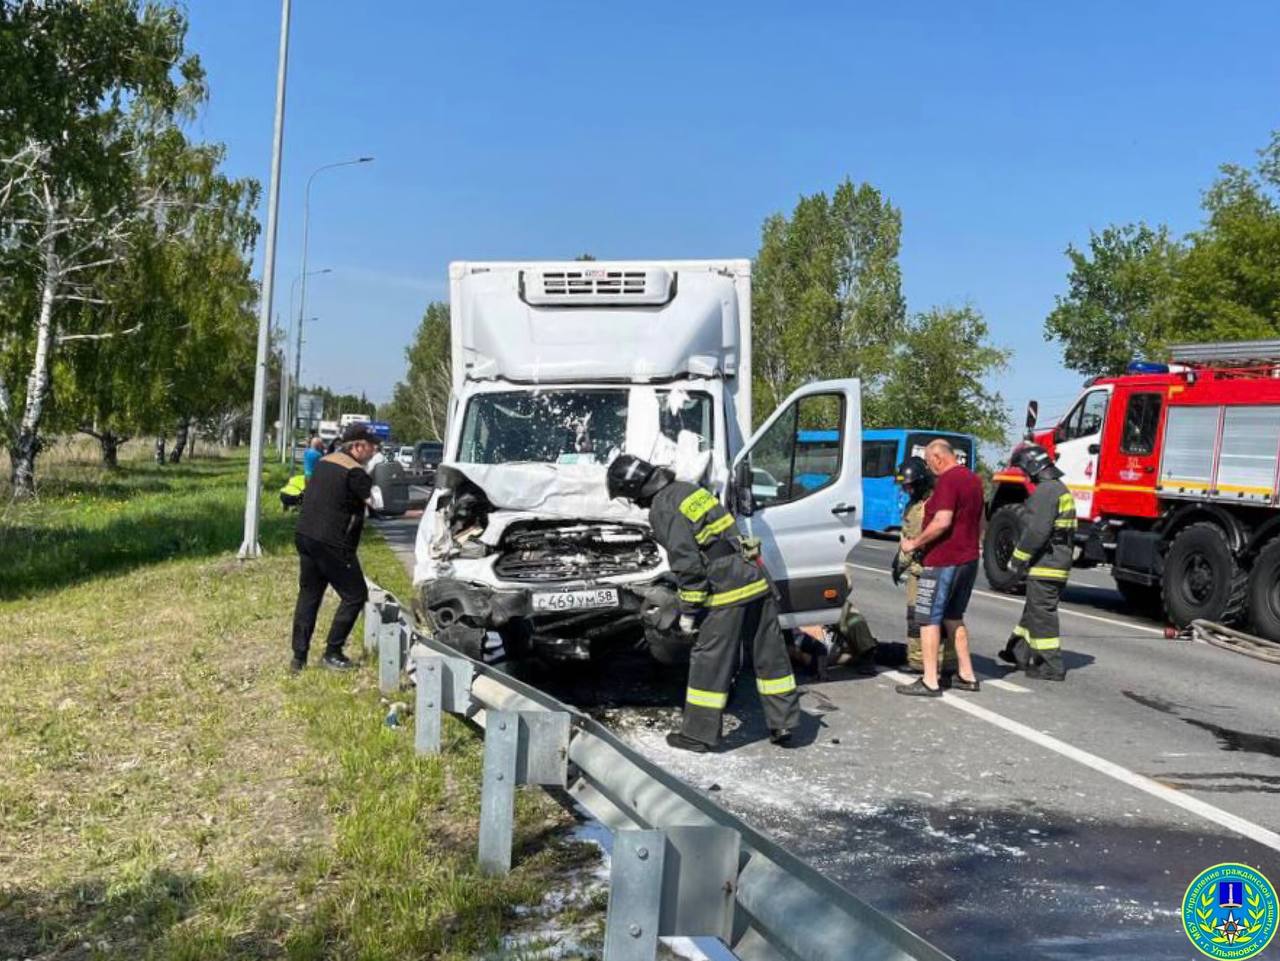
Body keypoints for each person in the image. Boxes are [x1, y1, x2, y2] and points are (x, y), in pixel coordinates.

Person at [606, 454, 800, 752]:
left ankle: (698, 735)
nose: (634, 504)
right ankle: (784, 723)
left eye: (629, 497)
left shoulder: (663, 506)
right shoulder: (689, 490)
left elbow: (688, 564)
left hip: (725, 589)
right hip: (753, 577)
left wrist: (689, 611)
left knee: (709, 660)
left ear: (634, 489)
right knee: (769, 654)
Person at [290, 423, 384, 672]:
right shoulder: (354, 472)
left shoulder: (325, 461)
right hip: (332, 541)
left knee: (309, 595)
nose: (374, 450)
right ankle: (332, 652)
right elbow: (378, 504)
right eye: (372, 446)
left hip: (306, 535)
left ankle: (298, 658)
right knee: (355, 595)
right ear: (357, 446)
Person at [896, 439, 982, 697]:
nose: (928, 466)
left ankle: (930, 680)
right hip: (968, 560)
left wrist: (914, 543)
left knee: (928, 619)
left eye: (929, 460)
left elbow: (942, 521)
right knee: (954, 617)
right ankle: (967, 675)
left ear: (938, 457)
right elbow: (982, 521)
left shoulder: (947, 481)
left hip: (943, 560)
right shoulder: (974, 480)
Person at [999, 443, 1075, 680]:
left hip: (1047, 565)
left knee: (1042, 613)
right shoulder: (1058, 489)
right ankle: (1018, 651)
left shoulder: (1045, 492)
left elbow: (1036, 532)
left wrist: (1017, 559)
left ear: (1033, 466)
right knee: (1034, 608)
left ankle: (1051, 665)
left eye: (1024, 469)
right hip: (1056, 562)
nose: (1024, 475)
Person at [892, 457, 958, 678]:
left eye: (909, 485)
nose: (906, 489)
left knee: (919, 617)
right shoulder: (922, 502)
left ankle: (920, 661)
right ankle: (945, 661)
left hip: (923, 569)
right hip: (928, 567)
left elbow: (917, 538)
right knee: (939, 616)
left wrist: (901, 562)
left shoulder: (927, 505)